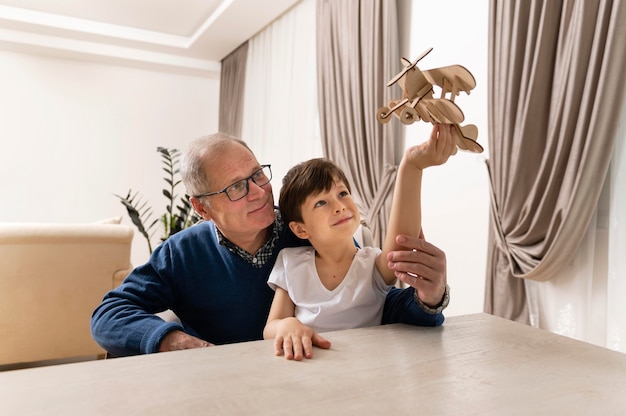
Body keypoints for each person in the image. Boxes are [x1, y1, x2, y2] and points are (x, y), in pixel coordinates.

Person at [91, 130, 451, 357]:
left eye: (257, 175)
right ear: (201, 207)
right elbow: (109, 314)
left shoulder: (311, 228)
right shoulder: (181, 253)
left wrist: (429, 298)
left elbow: (372, 305)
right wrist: (171, 339)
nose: (259, 193)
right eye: (235, 187)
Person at [264, 125, 454, 360]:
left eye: (342, 194)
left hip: (366, 368)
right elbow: (270, 328)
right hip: (310, 368)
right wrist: (286, 325)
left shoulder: (371, 265)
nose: (340, 206)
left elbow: (402, 240)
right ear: (300, 229)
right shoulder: (290, 262)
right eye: (321, 203)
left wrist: (412, 165)